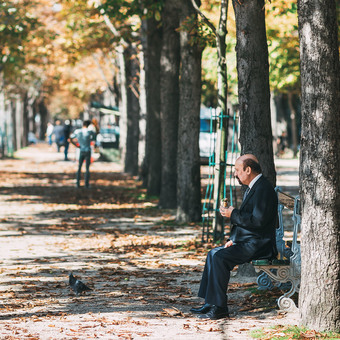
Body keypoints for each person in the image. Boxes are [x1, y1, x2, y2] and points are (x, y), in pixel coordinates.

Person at [190, 154, 278, 320]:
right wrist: (234, 239)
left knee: (220, 258)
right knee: (213, 254)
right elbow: (250, 221)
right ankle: (210, 302)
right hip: (250, 241)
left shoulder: (263, 189)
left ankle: (220, 307)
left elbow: (257, 221)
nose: (236, 174)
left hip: (260, 244)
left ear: (248, 170)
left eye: (237, 170)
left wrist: (233, 214)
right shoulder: (255, 187)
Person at [69, 120, 96, 188]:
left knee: (79, 167)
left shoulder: (77, 131)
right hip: (88, 150)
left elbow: (70, 139)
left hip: (80, 150)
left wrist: (76, 145)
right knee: (87, 168)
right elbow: (94, 138)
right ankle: (86, 184)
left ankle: (78, 183)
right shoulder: (90, 132)